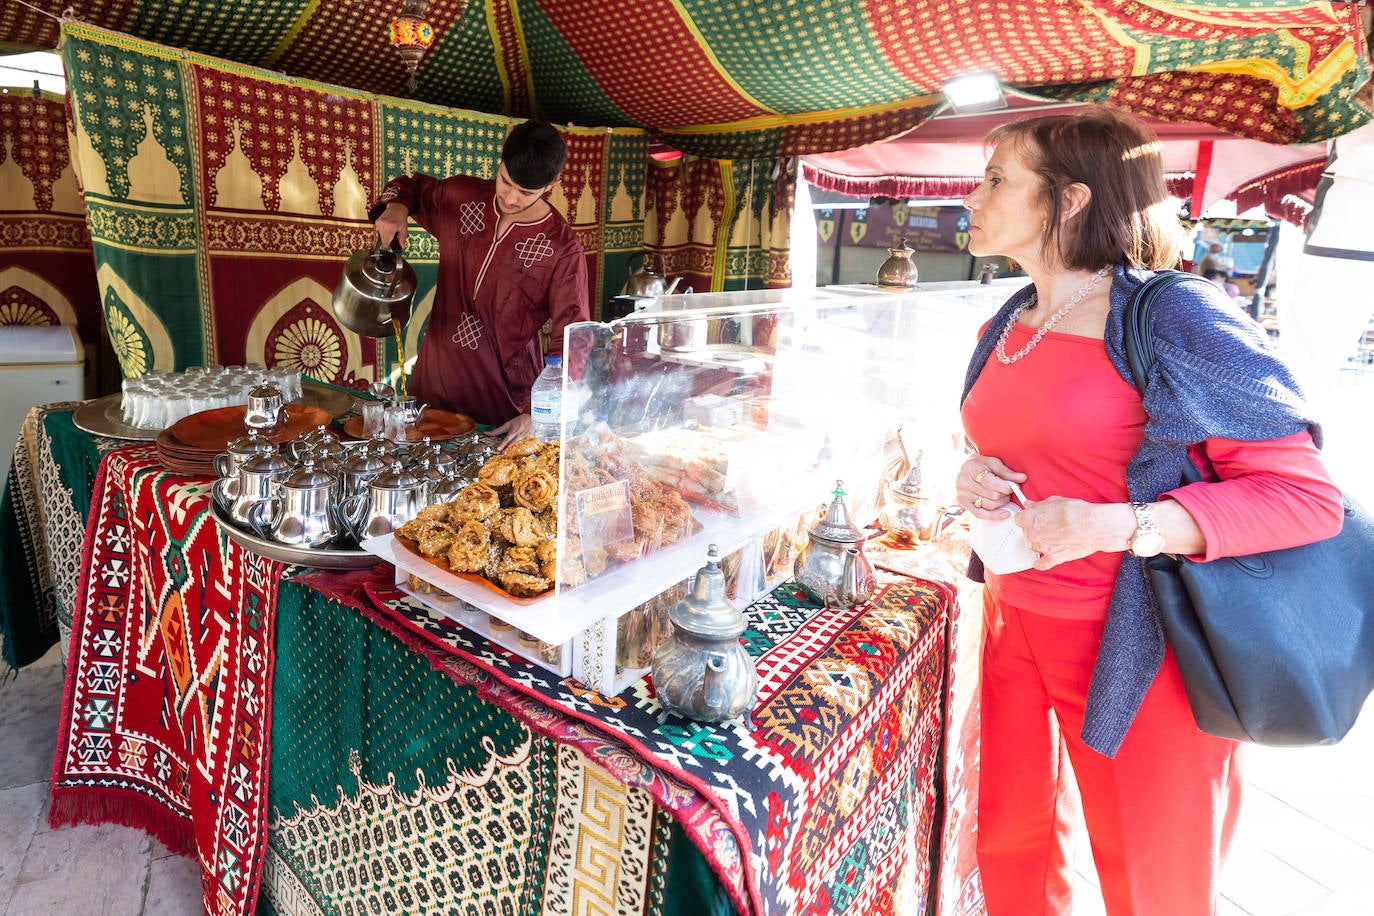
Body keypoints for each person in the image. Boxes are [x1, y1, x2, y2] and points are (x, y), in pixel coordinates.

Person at [956, 106, 1344, 914]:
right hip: (1014, 620)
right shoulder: (1012, 314)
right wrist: (975, 476)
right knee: (1009, 843)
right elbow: (1029, 442)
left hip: (1138, 648)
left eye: (997, 179)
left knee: (1154, 877)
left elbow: (1305, 498)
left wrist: (1116, 524)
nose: (974, 195)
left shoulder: (1173, 313)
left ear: (1069, 200)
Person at [370, 119, 590, 448]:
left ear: (552, 185)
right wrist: (398, 208)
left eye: (526, 192)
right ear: (499, 162)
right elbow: (409, 187)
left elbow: (575, 337)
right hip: (435, 380)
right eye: (505, 181)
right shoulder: (462, 197)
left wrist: (536, 414)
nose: (511, 198)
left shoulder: (562, 248)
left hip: (504, 402)